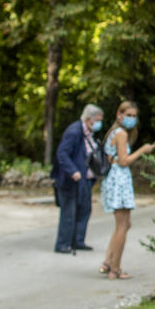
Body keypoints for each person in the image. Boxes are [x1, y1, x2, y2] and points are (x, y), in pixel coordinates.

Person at [99, 100, 155, 279]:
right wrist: (142, 150)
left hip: (115, 179)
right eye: (129, 115)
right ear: (120, 114)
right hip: (119, 180)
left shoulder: (113, 132)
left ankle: (108, 262)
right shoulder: (121, 134)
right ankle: (115, 269)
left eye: (134, 116)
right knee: (122, 226)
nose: (132, 119)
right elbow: (124, 160)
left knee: (124, 225)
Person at [51, 103, 104, 253]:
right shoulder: (74, 131)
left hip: (85, 180)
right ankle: (63, 244)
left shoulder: (88, 133)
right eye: (97, 120)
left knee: (84, 210)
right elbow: (62, 154)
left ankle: (77, 241)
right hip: (71, 180)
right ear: (88, 119)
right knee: (69, 212)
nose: (99, 123)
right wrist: (72, 170)